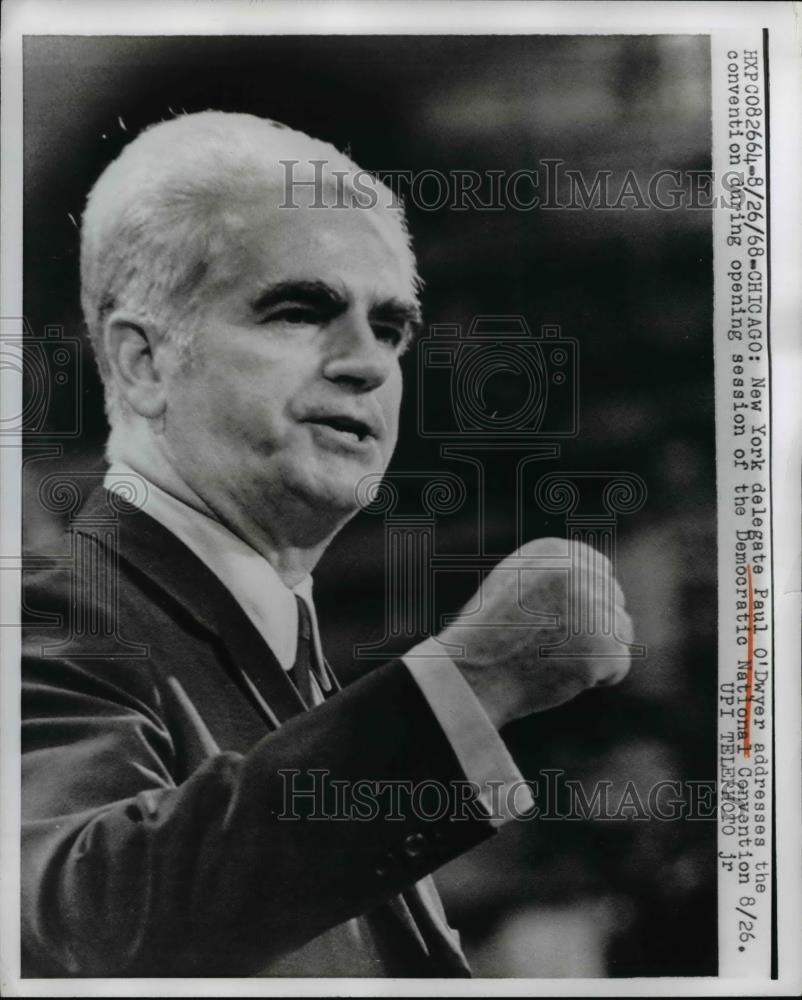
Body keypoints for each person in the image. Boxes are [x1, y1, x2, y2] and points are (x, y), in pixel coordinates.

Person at [21, 111, 633, 978]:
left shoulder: (289, 658)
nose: (368, 364)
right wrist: (472, 678)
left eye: (390, 329)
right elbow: (90, 914)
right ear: (142, 363)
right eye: (300, 311)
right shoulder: (46, 603)